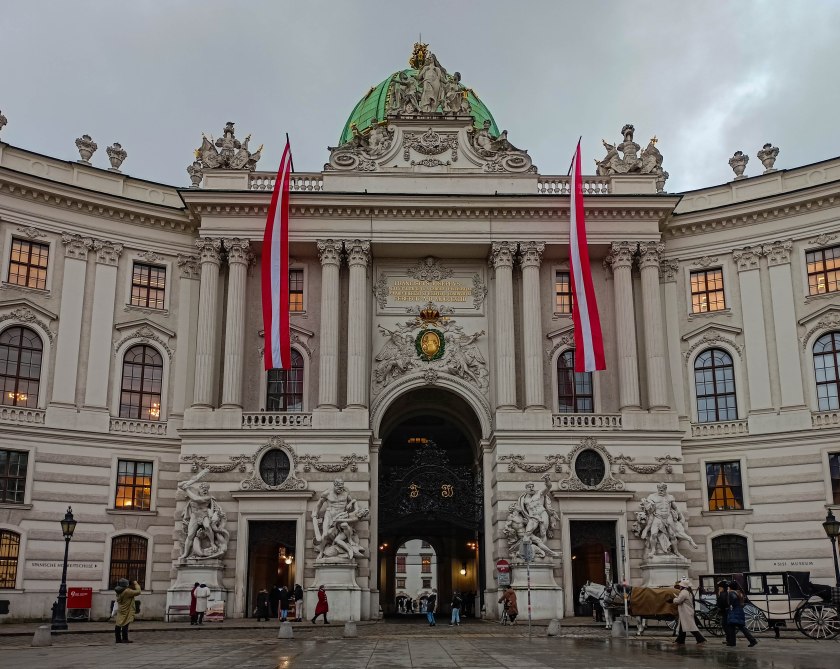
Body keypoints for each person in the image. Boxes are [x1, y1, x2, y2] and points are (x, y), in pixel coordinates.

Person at [672, 578, 706, 645]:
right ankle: (680, 640)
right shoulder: (688, 592)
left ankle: (700, 639)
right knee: (683, 627)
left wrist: (674, 599)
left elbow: (678, 601)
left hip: (686, 612)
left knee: (690, 627)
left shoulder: (684, 592)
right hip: (686, 612)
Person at [726, 582, 758, 647]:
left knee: (737, 627)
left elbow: (730, 602)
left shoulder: (731, 593)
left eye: (729, 587)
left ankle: (752, 640)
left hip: (734, 611)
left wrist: (729, 604)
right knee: (734, 627)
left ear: (730, 587)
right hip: (739, 610)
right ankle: (732, 642)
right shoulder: (739, 593)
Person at [113, 578, 141, 644]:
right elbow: (138, 591)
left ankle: (118, 639)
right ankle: (125, 639)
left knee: (118, 624)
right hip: (127, 610)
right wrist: (136, 583)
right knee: (125, 624)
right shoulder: (127, 591)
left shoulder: (119, 590)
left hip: (121, 609)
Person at [716, 580, 731, 644]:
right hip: (726, 611)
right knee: (726, 626)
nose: (719, 588)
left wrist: (720, 609)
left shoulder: (722, 594)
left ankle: (729, 640)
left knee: (725, 626)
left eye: (720, 587)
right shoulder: (726, 593)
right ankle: (728, 639)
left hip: (725, 612)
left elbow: (721, 603)